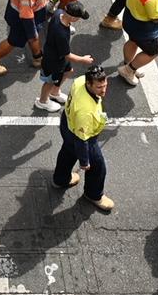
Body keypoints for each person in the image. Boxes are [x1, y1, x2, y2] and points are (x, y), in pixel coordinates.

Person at [52, 65, 113, 212]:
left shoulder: (79, 81)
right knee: (97, 166)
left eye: (104, 85)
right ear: (89, 84)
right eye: (99, 87)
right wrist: (85, 161)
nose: (103, 90)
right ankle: (94, 194)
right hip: (81, 135)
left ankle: (60, 179)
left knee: (67, 152)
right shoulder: (85, 112)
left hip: (67, 124)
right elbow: (81, 141)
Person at [38, 1, 95, 112]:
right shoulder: (61, 34)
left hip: (59, 57)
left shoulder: (59, 13)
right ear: (72, 18)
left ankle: (55, 92)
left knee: (68, 71)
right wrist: (83, 59)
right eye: (78, 18)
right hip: (53, 60)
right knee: (50, 81)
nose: (79, 20)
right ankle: (42, 101)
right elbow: (67, 55)